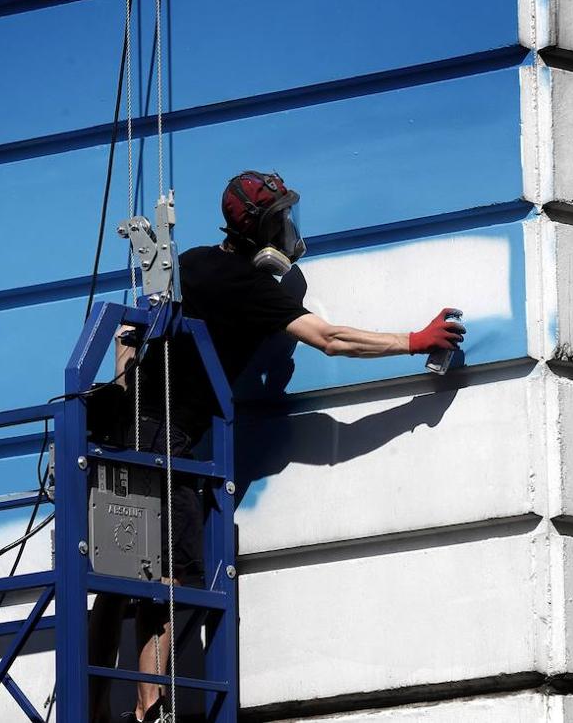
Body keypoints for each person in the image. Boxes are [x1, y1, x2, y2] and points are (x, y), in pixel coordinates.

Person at [89, 170, 465, 723]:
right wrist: (414, 341)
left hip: (130, 429)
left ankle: (94, 706)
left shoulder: (190, 263)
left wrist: (127, 394)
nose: (290, 226)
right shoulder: (252, 289)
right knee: (174, 572)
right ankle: (150, 706)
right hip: (171, 437)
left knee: (115, 573)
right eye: (283, 216)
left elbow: (130, 337)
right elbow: (330, 340)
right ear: (263, 228)